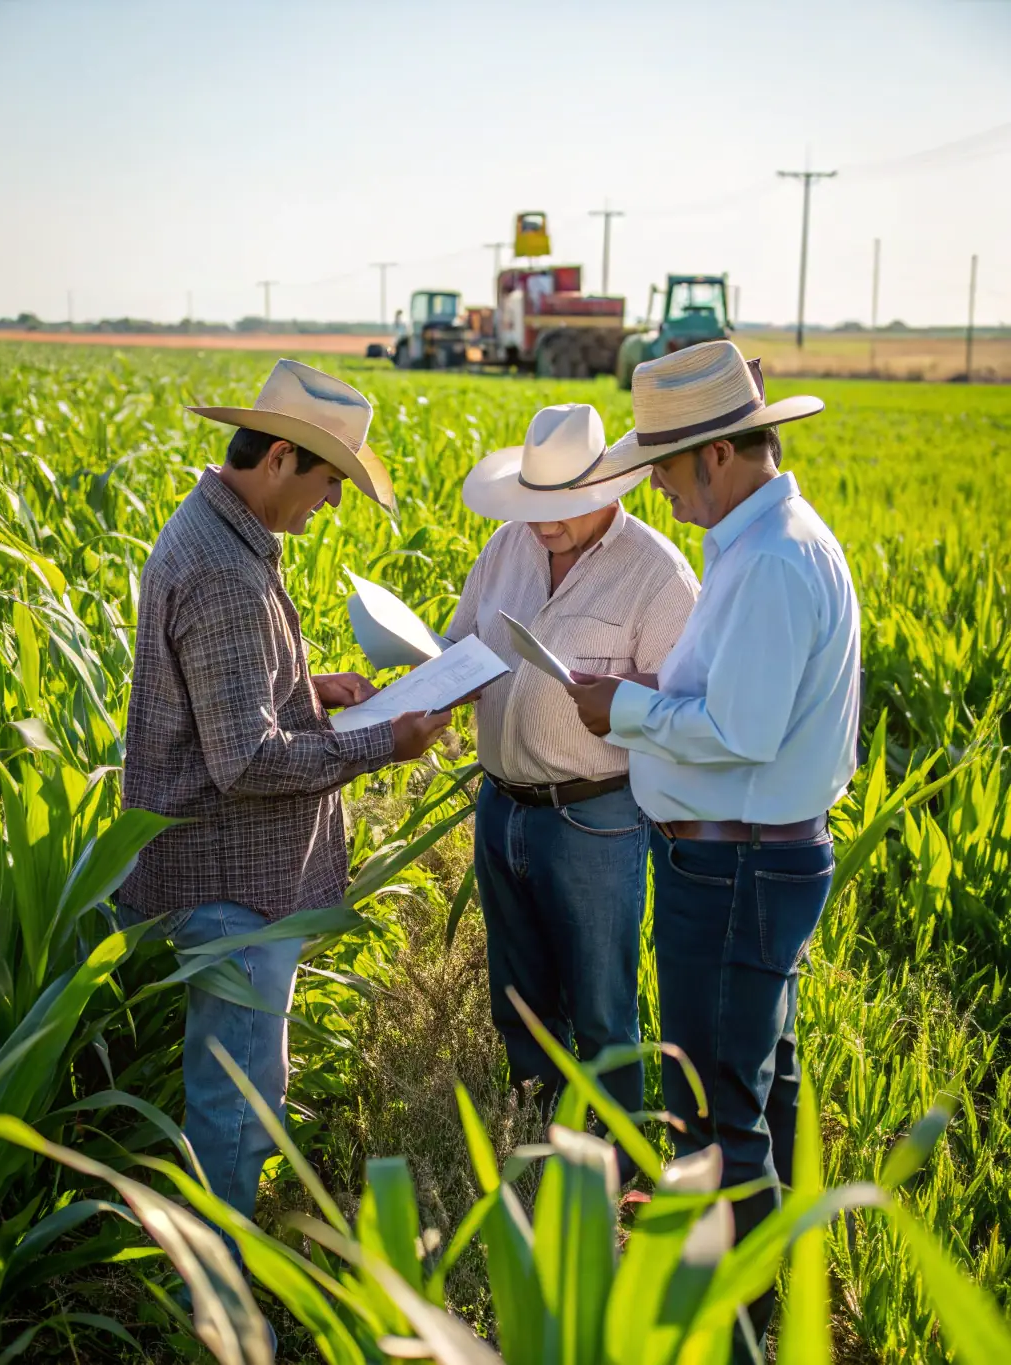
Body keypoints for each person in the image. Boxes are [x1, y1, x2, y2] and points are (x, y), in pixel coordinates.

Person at [561, 340, 860, 1350]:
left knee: (712, 1109)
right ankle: (758, 1298)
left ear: (718, 456)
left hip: (735, 867)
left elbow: (742, 730)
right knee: (754, 1081)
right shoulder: (754, 547)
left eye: (663, 464)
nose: (657, 487)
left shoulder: (771, 563)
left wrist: (625, 707)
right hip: (739, 858)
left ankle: (727, 1324)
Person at [120, 358, 451, 1254]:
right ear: (276, 459)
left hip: (236, 879)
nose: (334, 502)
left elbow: (231, 703)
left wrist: (316, 689)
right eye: (329, 480)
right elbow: (248, 760)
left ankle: (221, 1263)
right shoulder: (225, 570)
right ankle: (221, 1302)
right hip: (231, 886)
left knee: (243, 1087)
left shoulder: (221, 537)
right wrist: (390, 739)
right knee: (234, 1101)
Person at [448, 402, 699, 1170]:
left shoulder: (656, 574)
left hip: (595, 819)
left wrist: (621, 698)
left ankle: (617, 1166)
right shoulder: (505, 548)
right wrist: (435, 677)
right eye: (534, 506)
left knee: (602, 1010)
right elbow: (462, 639)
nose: (542, 524)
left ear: (606, 488)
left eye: (561, 509)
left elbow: (687, 701)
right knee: (519, 998)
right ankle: (538, 1149)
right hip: (502, 807)